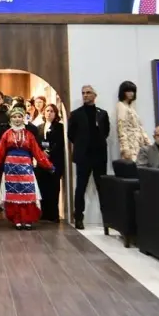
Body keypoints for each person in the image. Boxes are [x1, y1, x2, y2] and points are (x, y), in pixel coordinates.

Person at [0, 106, 54, 230]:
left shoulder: (29, 135)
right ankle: (16, 219)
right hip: (11, 168)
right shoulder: (7, 134)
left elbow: (37, 152)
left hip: (26, 168)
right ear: (11, 119)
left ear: (23, 118)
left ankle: (27, 219)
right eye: (14, 117)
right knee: (13, 194)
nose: (17, 119)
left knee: (27, 192)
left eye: (19, 117)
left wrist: (48, 165)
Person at [67, 85, 110, 230]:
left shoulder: (102, 114)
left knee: (102, 188)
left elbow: (106, 132)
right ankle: (79, 217)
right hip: (83, 156)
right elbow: (71, 135)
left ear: (94, 95)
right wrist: (82, 144)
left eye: (88, 93)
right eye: (83, 93)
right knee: (81, 188)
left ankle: (107, 220)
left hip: (99, 156)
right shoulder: (76, 114)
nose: (85, 95)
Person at [36, 103, 65, 221]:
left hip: (54, 161)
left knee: (53, 187)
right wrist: (41, 153)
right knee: (42, 187)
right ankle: (44, 213)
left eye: (52, 111)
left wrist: (49, 152)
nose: (49, 113)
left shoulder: (60, 127)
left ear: (56, 113)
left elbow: (59, 143)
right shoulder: (39, 127)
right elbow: (37, 143)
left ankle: (53, 214)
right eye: (47, 111)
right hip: (41, 162)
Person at [115, 80, 151, 161]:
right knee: (133, 163)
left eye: (133, 91)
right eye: (128, 91)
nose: (131, 93)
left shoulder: (131, 107)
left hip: (139, 142)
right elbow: (121, 128)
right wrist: (125, 148)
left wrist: (148, 143)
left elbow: (140, 127)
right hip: (130, 143)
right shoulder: (121, 106)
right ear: (123, 92)